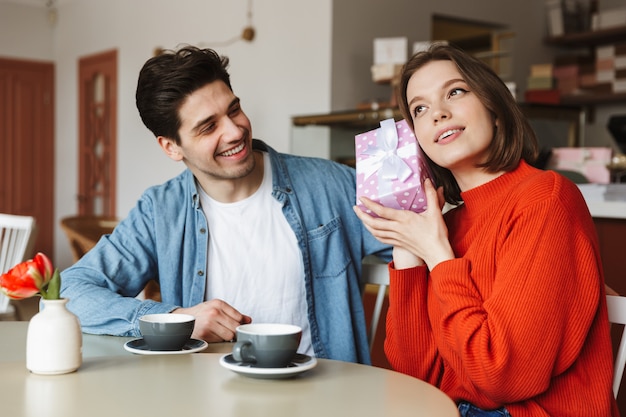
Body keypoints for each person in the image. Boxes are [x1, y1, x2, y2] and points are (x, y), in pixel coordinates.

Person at [60, 46, 391, 364]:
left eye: (233, 110)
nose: (235, 131)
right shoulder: (160, 211)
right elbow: (71, 291)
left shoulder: (329, 184)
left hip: (327, 394)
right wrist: (176, 320)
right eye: (208, 127)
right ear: (172, 147)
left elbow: (421, 241)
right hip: (207, 396)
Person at [354, 43, 618, 416]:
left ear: (493, 106)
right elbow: (417, 376)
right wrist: (408, 245)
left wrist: (438, 256)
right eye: (420, 109)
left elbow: (503, 376)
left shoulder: (545, 200)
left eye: (455, 92)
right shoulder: (444, 226)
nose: (438, 114)